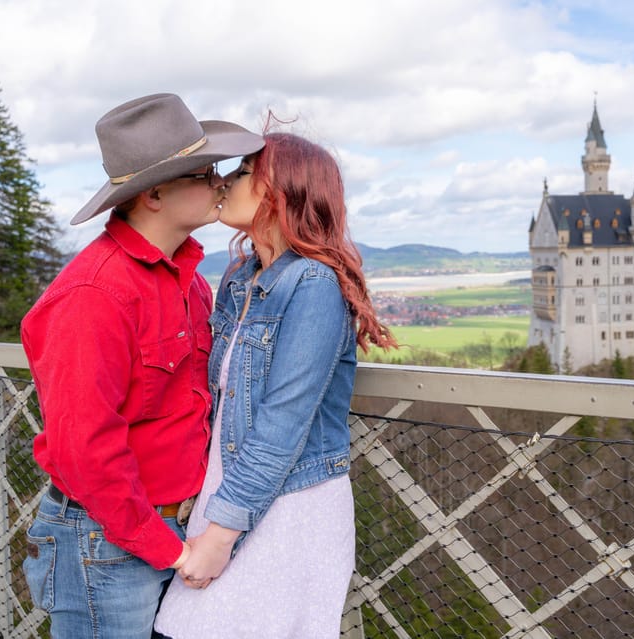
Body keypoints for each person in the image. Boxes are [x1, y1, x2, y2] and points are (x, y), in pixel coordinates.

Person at [20, 93, 265, 638]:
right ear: (154, 194)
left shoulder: (189, 281)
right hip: (107, 542)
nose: (221, 181)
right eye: (205, 173)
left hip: (172, 529)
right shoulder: (94, 295)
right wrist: (172, 551)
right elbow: (84, 450)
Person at [154, 131, 396, 638]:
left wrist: (219, 536)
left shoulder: (313, 285)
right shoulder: (241, 277)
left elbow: (281, 427)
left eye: (241, 173)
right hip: (229, 496)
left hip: (289, 510)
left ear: (278, 191)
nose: (222, 181)